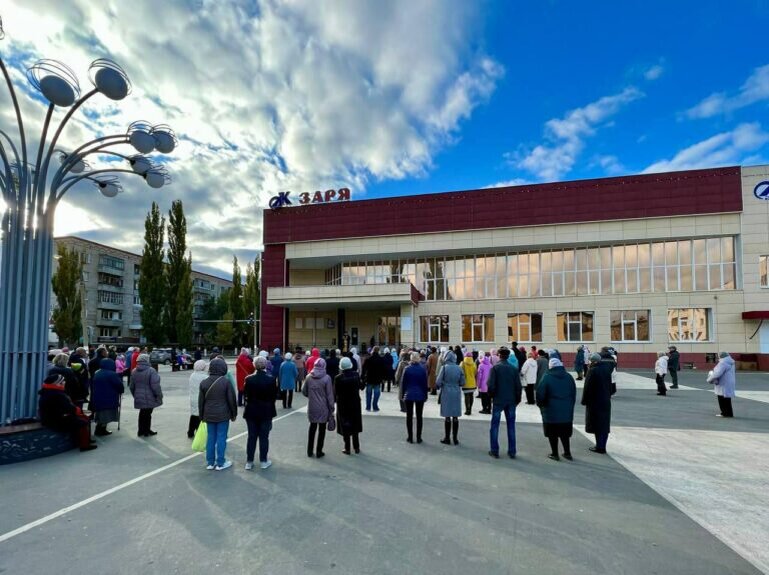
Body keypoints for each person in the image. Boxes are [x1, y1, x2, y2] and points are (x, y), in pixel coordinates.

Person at [38, 374, 97, 452]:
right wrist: (77, 410)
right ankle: (84, 445)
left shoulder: (48, 392)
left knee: (83, 418)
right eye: (63, 381)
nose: (65, 382)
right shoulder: (58, 394)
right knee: (83, 421)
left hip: (52, 417)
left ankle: (86, 440)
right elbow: (68, 408)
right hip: (56, 420)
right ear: (58, 383)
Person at [199, 357, 238, 470]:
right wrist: (233, 414)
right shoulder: (225, 382)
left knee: (210, 437)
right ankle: (220, 462)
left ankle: (210, 462)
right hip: (223, 414)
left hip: (208, 414)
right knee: (221, 437)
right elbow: (231, 399)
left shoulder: (204, 383)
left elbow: (201, 401)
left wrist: (202, 415)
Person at [536, 358, 576, 461]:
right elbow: (573, 393)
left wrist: (541, 406)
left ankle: (555, 453)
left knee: (552, 433)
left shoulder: (546, 377)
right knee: (565, 433)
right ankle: (567, 453)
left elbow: (540, 395)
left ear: (550, 366)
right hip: (566, 412)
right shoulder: (569, 377)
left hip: (550, 411)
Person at [243, 356, 278, 470]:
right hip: (266, 410)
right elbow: (274, 397)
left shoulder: (248, 379)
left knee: (251, 437)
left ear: (254, 365)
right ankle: (263, 460)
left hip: (251, 410)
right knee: (264, 436)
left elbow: (246, 395)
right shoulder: (271, 379)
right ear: (265, 365)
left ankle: (249, 461)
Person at [487, 346, 521, 459]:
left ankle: (494, 450)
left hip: (498, 400)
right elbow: (518, 386)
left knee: (495, 425)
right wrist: (517, 399)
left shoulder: (495, 368)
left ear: (499, 355)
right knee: (511, 426)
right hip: (511, 400)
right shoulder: (513, 369)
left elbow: (491, 385)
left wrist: (492, 396)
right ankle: (512, 451)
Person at [302, 358, 335, 458]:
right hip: (323, 407)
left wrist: (311, 396)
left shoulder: (308, 377)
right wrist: (332, 408)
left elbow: (304, 391)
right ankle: (319, 451)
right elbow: (329, 395)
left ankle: (309, 450)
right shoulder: (326, 378)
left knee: (312, 428)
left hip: (312, 406)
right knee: (322, 429)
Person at [582, 352, 613, 454]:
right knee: (604, 424)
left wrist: (584, 400)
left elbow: (588, 387)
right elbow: (611, 386)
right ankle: (602, 445)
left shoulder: (593, 370)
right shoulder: (607, 369)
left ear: (593, 361)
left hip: (594, 401)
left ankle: (599, 447)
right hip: (605, 400)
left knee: (596, 424)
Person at [334, 356, 364, 454]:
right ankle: (357, 447)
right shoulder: (356, 375)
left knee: (345, 424)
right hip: (355, 403)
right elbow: (361, 387)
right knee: (355, 424)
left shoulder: (338, 378)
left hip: (343, 404)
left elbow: (336, 393)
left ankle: (347, 448)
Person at [129, 354, 163, 437]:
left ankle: (140, 431)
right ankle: (147, 431)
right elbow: (155, 386)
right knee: (147, 414)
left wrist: (135, 395)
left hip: (138, 396)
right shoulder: (151, 371)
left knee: (142, 413)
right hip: (150, 396)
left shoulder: (134, 371)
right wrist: (159, 395)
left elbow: (131, 386)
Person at [436, 350, 464, 445]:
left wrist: (444, 384)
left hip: (446, 392)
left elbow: (438, 382)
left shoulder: (444, 368)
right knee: (455, 416)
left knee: (447, 416)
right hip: (456, 392)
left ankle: (447, 438)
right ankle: (455, 439)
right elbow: (462, 382)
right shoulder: (459, 368)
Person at [90, 358, 124, 437]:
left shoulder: (97, 372)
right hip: (109, 396)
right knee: (106, 414)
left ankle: (99, 429)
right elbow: (119, 385)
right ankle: (101, 430)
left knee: (100, 413)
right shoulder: (112, 374)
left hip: (98, 396)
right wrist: (121, 390)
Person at [402, 352, 429, 444]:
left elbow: (403, 383)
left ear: (411, 358)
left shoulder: (407, 369)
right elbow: (425, 384)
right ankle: (418, 437)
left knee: (409, 416)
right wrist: (425, 395)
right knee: (419, 416)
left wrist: (402, 395)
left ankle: (410, 437)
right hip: (420, 394)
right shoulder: (422, 369)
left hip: (409, 394)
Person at [707, 351, 736, 417]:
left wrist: (709, 379)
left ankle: (724, 413)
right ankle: (729, 413)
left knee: (721, 399)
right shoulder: (731, 362)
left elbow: (717, 374)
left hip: (722, 383)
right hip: (729, 382)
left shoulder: (722, 363)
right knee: (727, 399)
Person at [188, 360, 208, 438]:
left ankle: (190, 432)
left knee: (193, 414)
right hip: (200, 398)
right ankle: (199, 433)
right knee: (200, 416)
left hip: (192, 398)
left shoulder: (192, 375)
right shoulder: (205, 377)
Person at [362, 346, 383, 412]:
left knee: (368, 393)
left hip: (369, 378)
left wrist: (362, 377)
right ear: (378, 351)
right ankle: (375, 406)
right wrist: (383, 378)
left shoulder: (368, 359)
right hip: (377, 379)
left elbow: (364, 369)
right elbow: (384, 370)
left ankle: (368, 407)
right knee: (377, 393)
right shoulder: (381, 359)